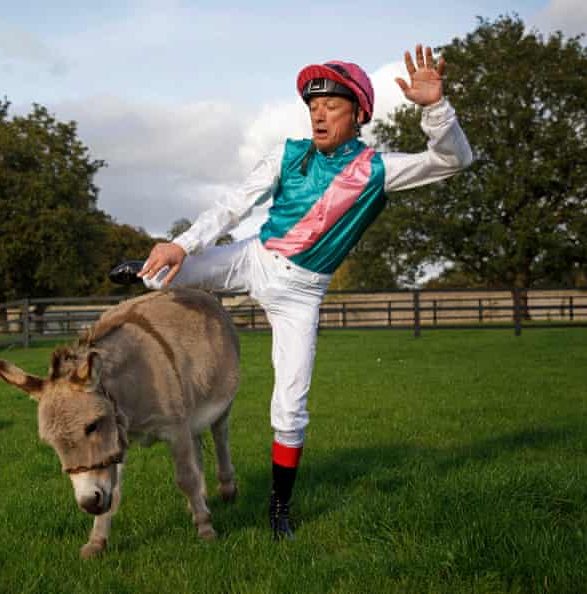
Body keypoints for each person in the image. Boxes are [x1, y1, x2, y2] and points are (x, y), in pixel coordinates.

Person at [109, 45, 473, 539]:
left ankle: (279, 509)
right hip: (254, 256)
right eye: (312, 106)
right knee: (162, 271)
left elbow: (454, 160)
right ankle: (147, 272)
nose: (318, 114)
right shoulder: (286, 153)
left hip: (301, 292)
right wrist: (182, 243)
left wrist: (434, 109)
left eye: (332, 106)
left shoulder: (379, 170)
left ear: (360, 112)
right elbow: (234, 206)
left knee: (290, 405)